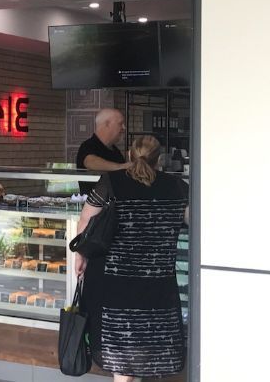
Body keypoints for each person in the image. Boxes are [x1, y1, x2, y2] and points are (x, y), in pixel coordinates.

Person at [74, 135, 189, 382]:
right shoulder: (178, 186)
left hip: (117, 282)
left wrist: (80, 257)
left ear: (129, 155)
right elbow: (195, 221)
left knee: (123, 348)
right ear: (159, 160)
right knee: (147, 343)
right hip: (158, 281)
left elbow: (85, 221)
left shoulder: (111, 182)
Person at [76, 108, 129, 193]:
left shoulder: (115, 150)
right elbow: (90, 162)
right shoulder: (88, 145)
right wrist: (122, 166)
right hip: (93, 204)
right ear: (107, 124)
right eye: (120, 123)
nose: (124, 127)